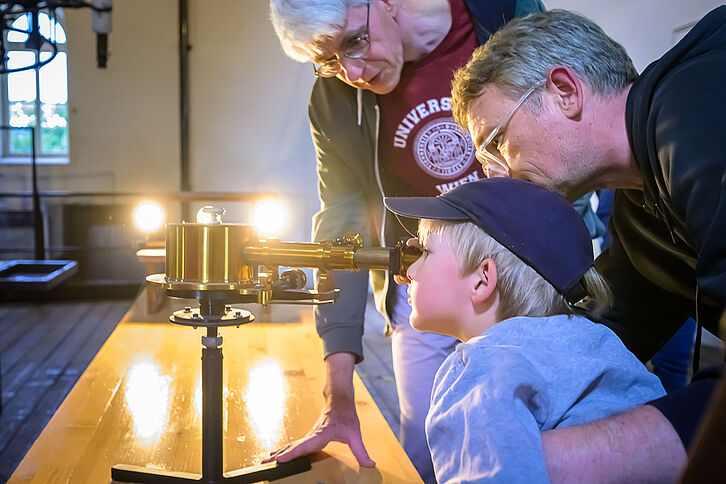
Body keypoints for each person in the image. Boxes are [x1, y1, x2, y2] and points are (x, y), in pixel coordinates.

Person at [266, 1, 560, 481]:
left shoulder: (501, 12)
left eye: (354, 42)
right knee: (425, 444)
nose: (352, 72)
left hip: (527, 273)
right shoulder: (334, 98)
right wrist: (337, 393)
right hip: (421, 281)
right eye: (329, 61)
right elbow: (342, 223)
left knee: (530, 439)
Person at [450, 7, 726, 482]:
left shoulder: (695, 111)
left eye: (495, 142)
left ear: (564, 91)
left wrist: (560, 460)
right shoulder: (641, 210)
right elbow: (600, 333)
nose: (494, 173)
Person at [383, 177, 665, 483]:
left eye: (424, 249)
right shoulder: (598, 340)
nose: (406, 262)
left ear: (481, 280)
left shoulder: (479, 370)